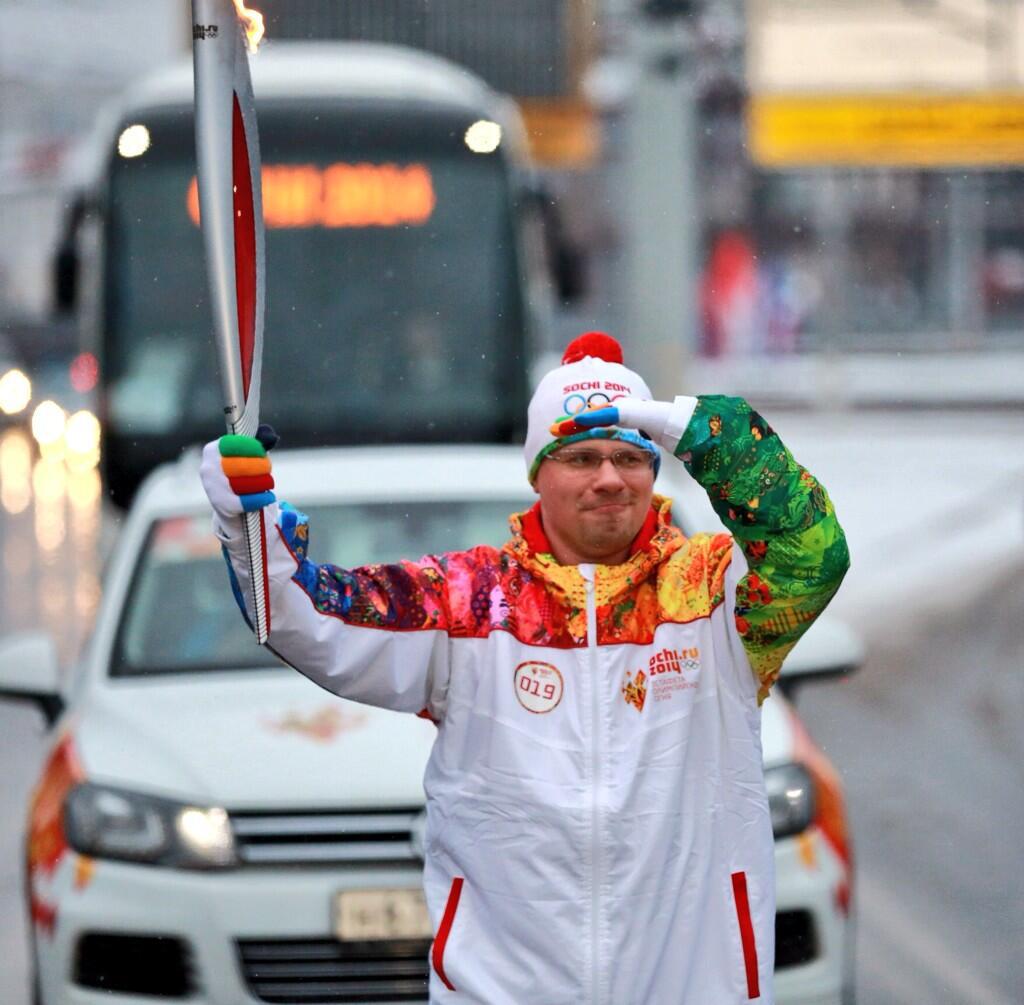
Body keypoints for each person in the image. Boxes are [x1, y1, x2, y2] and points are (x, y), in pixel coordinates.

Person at [200, 331, 849, 1005]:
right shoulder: (470, 602)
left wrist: (702, 430)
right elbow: (308, 617)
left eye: (630, 455)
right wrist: (247, 527)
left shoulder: (711, 598)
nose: (608, 477)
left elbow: (812, 551)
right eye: (582, 456)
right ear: (539, 472)